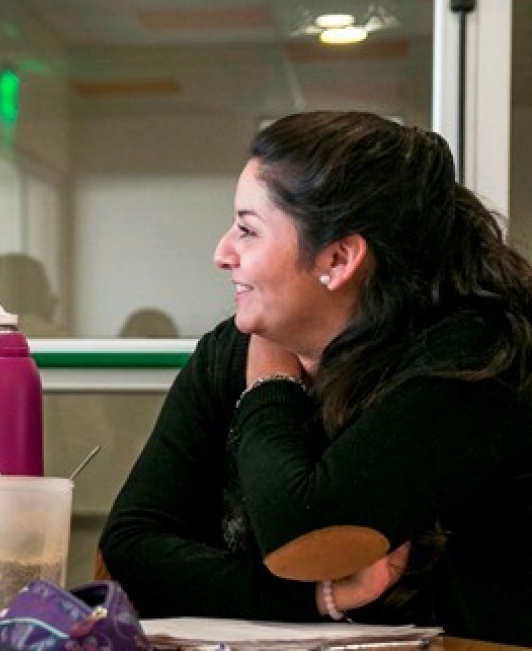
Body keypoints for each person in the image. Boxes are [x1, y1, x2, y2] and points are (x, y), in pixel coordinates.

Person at [99, 111, 532, 644]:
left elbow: (306, 532)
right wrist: (317, 597)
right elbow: (132, 546)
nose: (222, 253)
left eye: (247, 230)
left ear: (338, 257)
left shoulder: (478, 357)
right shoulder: (227, 351)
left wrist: (270, 386)